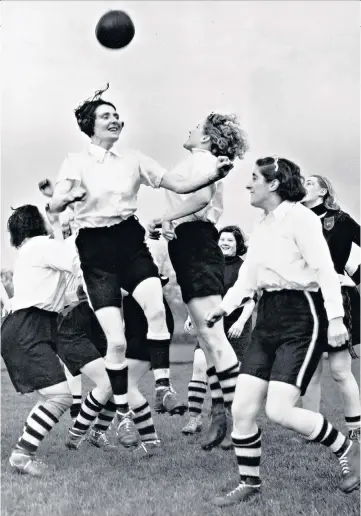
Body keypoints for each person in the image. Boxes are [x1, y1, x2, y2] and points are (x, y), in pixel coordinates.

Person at [48, 86, 234, 449]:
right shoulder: (75, 161)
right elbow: (55, 204)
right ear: (89, 125)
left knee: (155, 308)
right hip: (95, 247)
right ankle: (122, 416)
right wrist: (64, 199)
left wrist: (213, 174)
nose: (115, 119)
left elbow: (180, 184)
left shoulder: (133, 157)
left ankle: (163, 386)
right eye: (106, 115)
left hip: (129, 241)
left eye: (117, 114)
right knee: (115, 341)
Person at [205, 157, 360, 506]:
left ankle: (347, 448)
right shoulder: (261, 224)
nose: (248, 185)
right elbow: (249, 276)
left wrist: (336, 319)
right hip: (268, 318)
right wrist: (225, 307)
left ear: (274, 184)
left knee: (279, 410)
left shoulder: (301, 218)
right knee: (242, 408)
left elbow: (323, 269)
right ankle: (250, 483)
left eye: (254, 178)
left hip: (302, 316)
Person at [148, 113, 249, 450]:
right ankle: (220, 415)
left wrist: (167, 218)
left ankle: (239, 422)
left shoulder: (202, 160)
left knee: (214, 338)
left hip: (198, 246)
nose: (189, 129)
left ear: (206, 139)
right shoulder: (194, 161)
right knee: (207, 341)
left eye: (195, 128)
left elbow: (202, 199)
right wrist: (166, 224)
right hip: (188, 244)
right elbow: (186, 204)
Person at [1, 205, 75, 476]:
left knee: (54, 396)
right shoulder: (42, 245)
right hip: (28, 327)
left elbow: (66, 293)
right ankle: (22, 454)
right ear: (36, 223)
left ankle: (23, 452)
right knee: (60, 396)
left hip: (29, 326)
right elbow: (76, 259)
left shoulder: (32, 250)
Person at [181, 225, 255, 450]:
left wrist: (242, 323)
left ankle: (231, 425)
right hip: (210, 325)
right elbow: (198, 294)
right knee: (200, 366)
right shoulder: (209, 264)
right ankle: (194, 419)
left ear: (237, 244)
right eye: (221, 239)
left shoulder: (244, 267)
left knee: (229, 378)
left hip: (235, 327)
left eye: (229, 240)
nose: (224, 243)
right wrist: (190, 316)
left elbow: (250, 300)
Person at [302, 175, 360, 441]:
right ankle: (312, 430)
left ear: (324, 191)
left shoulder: (341, 220)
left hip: (337, 301)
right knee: (310, 371)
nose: (303, 185)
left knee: (339, 371)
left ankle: (356, 430)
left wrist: (354, 277)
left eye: (310, 182)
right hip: (305, 301)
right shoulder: (294, 219)